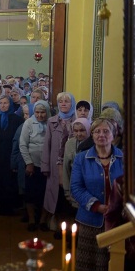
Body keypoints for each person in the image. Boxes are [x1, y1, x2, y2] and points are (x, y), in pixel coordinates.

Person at [71, 118, 123, 271]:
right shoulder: (81, 159)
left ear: (113, 135)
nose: (102, 135)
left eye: (106, 131)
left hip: (119, 220)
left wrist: (119, 207)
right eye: (97, 131)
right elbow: (76, 188)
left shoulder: (124, 158)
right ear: (91, 135)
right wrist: (97, 206)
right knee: (90, 266)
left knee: (115, 263)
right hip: (90, 220)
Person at [41, 92, 76, 234]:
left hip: (71, 166)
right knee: (54, 195)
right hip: (55, 166)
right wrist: (45, 165)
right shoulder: (52, 121)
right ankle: (55, 224)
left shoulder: (77, 121)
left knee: (68, 197)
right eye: (60, 101)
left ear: (72, 104)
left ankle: (67, 228)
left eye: (66, 101)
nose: (63, 104)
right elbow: (47, 145)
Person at [0, 95, 23, 215]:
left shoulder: (17, 120)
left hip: (10, 155)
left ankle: (10, 206)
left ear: (10, 104)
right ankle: (0, 204)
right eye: (1, 103)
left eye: (6, 103)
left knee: (10, 181)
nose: (3, 105)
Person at [19, 100, 51, 231]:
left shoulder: (51, 123)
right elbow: (23, 144)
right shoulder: (29, 123)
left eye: (43, 112)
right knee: (31, 193)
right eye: (37, 112)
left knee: (45, 193)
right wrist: (29, 163)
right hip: (32, 164)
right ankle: (32, 220)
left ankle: (43, 220)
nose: (40, 115)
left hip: (47, 166)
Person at [63, 118, 91, 207]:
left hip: (89, 184)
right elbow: (66, 167)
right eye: (75, 131)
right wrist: (67, 190)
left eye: (82, 130)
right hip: (74, 182)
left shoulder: (94, 143)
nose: (79, 134)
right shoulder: (69, 143)